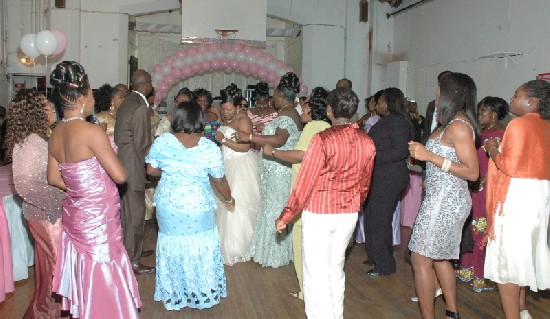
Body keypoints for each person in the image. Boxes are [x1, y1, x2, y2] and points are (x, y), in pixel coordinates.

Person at [47, 61, 141, 318]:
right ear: (82, 97)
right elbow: (120, 175)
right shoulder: (91, 132)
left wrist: (79, 189)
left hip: (77, 213)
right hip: (98, 214)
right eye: (90, 94)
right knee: (103, 264)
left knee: (86, 266)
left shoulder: (55, 133)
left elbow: (53, 177)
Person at [276, 87, 375, 318]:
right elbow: (365, 184)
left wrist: (287, 215)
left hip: (320, 213)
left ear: (329, 110)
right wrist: (353, 205)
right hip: (348, 213)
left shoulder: (322, 139)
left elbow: (305, 181)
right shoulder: (367, 141)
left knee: (315, 274)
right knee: (335, 270)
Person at [145, 101, 233, 310]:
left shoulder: (162, 142)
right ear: (200, 121)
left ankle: (176, 291)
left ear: (177, 119)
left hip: (169, 205)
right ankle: (200, 291)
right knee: (199, 247)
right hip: (197, 206)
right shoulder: (208, 147)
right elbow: (219, 180)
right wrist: (229, 199)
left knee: (173, 247)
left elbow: (151, 171)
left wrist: (168, 170)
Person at [408, 72, 480, 319]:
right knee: (440, 258)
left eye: (439, 89)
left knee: (420, 259)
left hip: (446, 202)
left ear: (450, 93)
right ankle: (452, 312)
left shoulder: (458, 126)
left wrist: (429, 157)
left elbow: (472, 172)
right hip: (441, 197)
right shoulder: (448, 122)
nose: (436, 93)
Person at [483, 80, 550, 319]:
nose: (512, 99)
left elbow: (508, 165)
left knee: (507, 264)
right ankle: (522, 310)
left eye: (516, 95)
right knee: (523, 256)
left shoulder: (519, 124)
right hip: (538, 198)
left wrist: (492, 148)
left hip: (516, 197)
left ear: (531, 102)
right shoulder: (546, 126)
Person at [264, 87, 331, 300]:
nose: (302, 106)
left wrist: (273, 152)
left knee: (302, 247)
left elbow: (301, 155)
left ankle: (306, 292)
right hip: (320, 193)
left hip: (306, 193)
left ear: (313, 108)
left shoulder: (313, 127)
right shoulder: (327, 126)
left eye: (306, 104)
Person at [5, 89, 64, 318]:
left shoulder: (37, 139)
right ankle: (47, 312)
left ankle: (46, 311)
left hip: (44, 213)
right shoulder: (32, 143)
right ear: (34, 113)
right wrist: (57, 203)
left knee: (49, 267)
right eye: (46, 106)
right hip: (45, 215)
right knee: (55, 269)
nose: (51, 108)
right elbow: (24, 186)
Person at [235, 72, 302, 268]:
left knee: (274, 209)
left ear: (280, 94)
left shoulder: (288, 114)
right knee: (270, 207)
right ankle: (268, 250)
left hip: (279, 170)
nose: (273, 99)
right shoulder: (289, 112)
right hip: (274, 169)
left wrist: (250, 138)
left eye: (274, 95)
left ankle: (275, 253)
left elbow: (280, 139)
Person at [455, 96, 508, 292]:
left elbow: (499, 164)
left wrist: (482, 181)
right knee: (468, 227)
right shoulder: (479, 133)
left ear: (494, 114)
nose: (479, 115)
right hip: (472, 185)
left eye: (483, 111)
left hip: (486, 190)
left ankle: (481, 275)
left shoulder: (501, 135)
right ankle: (467, 267)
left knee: (481, 231)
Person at [363, 87, 412, 276]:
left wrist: (372, 156)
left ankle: (384, 265)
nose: (378, 104)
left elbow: (400, 151)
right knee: (374, 218)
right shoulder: (388, 121)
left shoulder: (398, 122)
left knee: (379, 220)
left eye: (381, 101)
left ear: (389, 102)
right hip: (381, 176)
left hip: (389, 177)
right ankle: (376, 256)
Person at [114, 69, 154, 275]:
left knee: (128, 214)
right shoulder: (139, 106)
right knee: (135, 216)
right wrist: (155, 170)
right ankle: (132, 260)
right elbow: (143, 145)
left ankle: (134, 249)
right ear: (147, 85)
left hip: (124, 164)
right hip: (133, 167)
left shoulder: (129, 102)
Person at [213, 88, 260, 265]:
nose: (225, 112)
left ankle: (240, 246)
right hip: (227, 162)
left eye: (229, 109)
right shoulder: (226, 119)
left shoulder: (244, 120)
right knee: (224, 203)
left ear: (238, 107)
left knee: (238, 203)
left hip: (241, 165)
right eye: (223, 109)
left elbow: (245, 147)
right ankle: (226, 243)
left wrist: (223, 140)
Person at [422, 70, 453, 144]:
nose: (439, 89)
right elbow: (427, 130)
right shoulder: (431, 105)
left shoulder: (454, 109)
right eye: (439, 85)